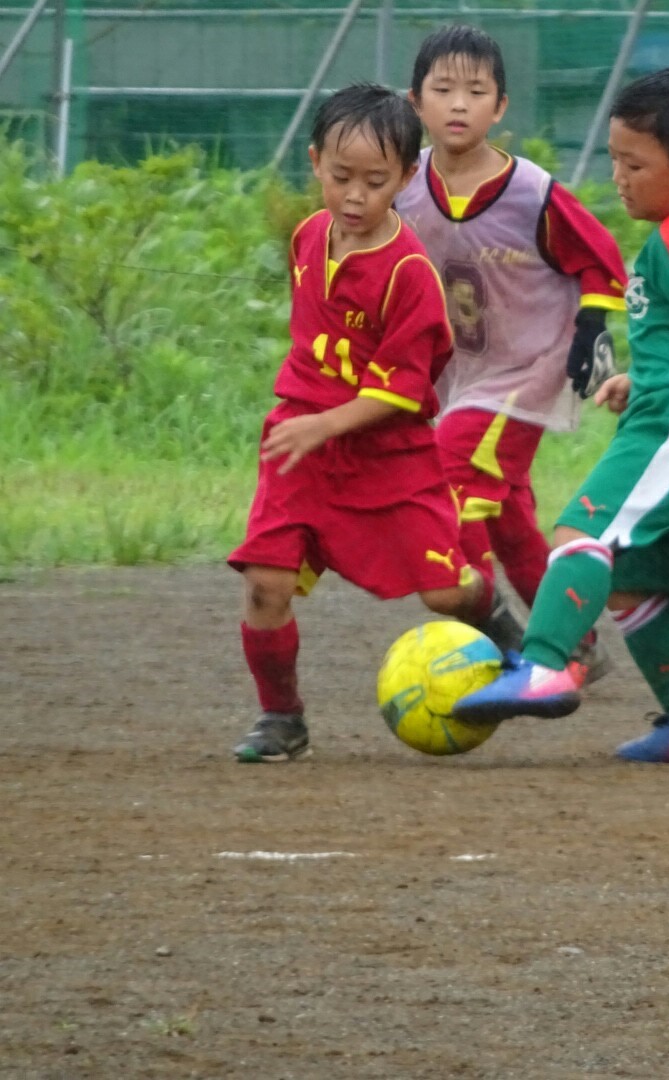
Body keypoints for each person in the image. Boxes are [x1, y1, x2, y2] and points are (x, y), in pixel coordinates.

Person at [451, 67, 669, 763]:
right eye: (614, 158)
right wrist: (644, 382)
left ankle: (546, 661)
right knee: (633, 579)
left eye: (635, 164)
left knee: (584, 529)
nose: (619, 176)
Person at [228, 83, 490, 763]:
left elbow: (402, 393)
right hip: (300, 446)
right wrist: (307, 424)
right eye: (340, 176)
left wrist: (325, 424)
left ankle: (499, 620)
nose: (353, 195)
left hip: (387, 457)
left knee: (443, 592)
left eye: (375, 181)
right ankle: (282, 719)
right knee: (266, 582)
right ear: (314, 162)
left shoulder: (410, 274)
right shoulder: (308, 237)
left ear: (406, 177)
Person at [398, 25, 628, 678]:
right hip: (462, 376)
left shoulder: (531, 191)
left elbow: (602, 259)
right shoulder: (404, 187)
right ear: (415, 104)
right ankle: (575, 645)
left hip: (532, 369)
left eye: (477, 91)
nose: (459, 104)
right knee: (508, 520)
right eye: (443, 90)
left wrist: (594, 328)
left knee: (454, 470)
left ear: (501, 107)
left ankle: (487, 627)